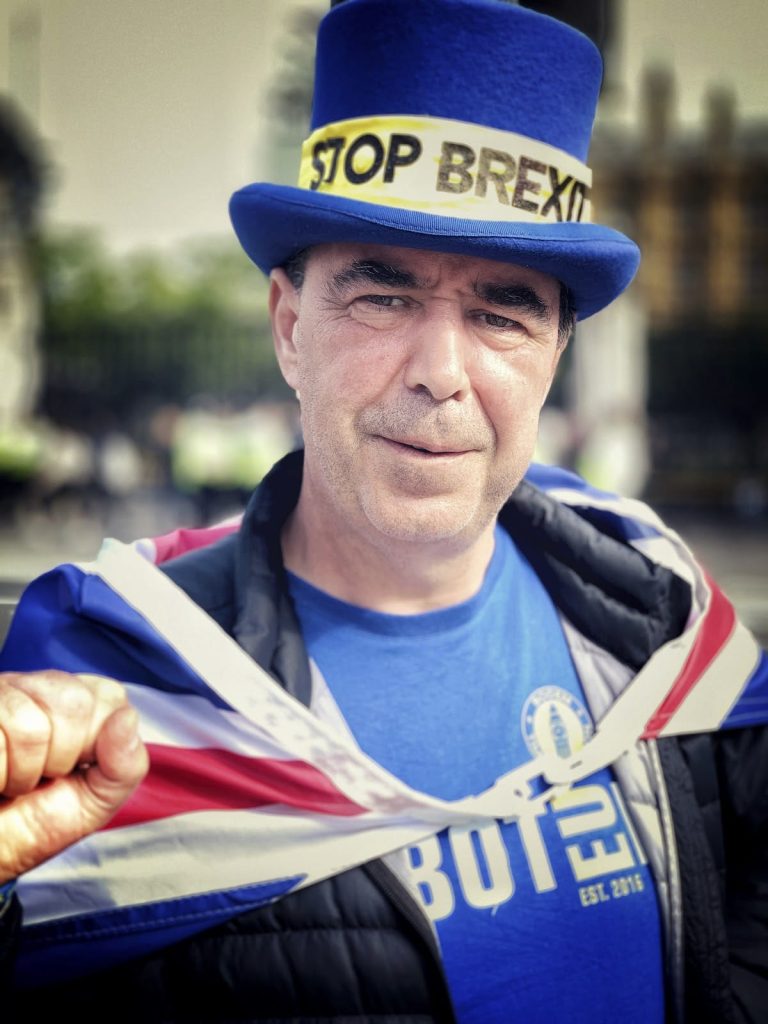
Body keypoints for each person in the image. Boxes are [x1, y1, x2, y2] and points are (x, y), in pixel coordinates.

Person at [1, 1, 767, 1021]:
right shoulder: (111, 680)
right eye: (383, 295)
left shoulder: (669, 635)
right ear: (288, 325)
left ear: (554, 360)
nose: (441, 374)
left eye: (503, 311)